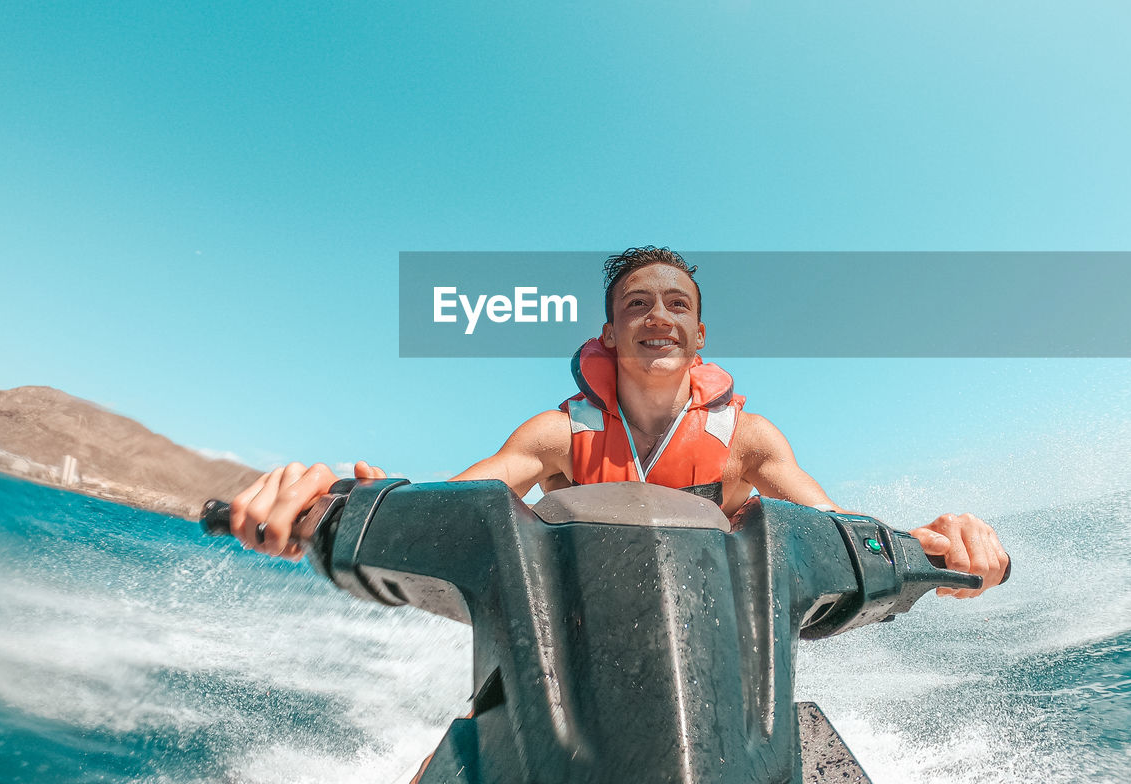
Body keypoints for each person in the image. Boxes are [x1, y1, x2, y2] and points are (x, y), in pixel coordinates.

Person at [230, 246, 1009, 598]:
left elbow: (842, 531)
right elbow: (455, 502)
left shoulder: (749, 441)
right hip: (559, 672)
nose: (658, 316)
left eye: (678, 305)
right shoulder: (556, 436)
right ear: (608, 335)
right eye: (637, 304)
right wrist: (334, 507)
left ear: (700, 337)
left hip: (719, 674)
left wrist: (939, 556)